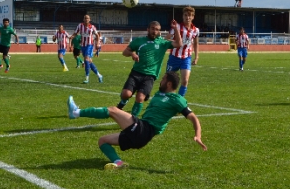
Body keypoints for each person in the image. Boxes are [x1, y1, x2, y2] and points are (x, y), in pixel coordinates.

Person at [67, 71, 207, 170]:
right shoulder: (159, 94)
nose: (161, 81)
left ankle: (75, 112)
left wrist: (198, 135)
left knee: (112, 110)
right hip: (141, 135)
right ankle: (119, 163)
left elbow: (193, 117)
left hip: (145, 130)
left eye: (163, 79)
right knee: (102, 141)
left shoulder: (177, 100)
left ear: (169, 84)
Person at [117, 20, 182, 116]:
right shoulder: (139, 41)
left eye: (157, 30)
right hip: (136, 73)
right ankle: (123, 102)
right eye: (152, 29)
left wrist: (176, 28)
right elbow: (125, 52)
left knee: (140, 97)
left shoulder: (162, 43)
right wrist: (132, 53)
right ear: (148, 29)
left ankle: (133, 120)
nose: (154, 31)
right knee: (126, 94)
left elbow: (179, 44)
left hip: (150, 76)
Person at [166, 6, 199, 96]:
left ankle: (179, 101)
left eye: (190, 16)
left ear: (193, 17)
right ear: (183, 16)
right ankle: (164, 99)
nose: (187, 17)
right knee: (168, 81)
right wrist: (176, 42)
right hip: (174, 57)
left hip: (186, 58)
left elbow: (195, 44)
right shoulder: (176, 27)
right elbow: (166, 39)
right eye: (185, 15)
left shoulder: (195, 30)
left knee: (185, 81)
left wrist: (196, 57)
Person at [70, 15, 103, 83]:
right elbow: (75, 33)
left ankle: (87, 78)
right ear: (83, 19)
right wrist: (71, 37)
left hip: (89, 45)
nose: (86, 19)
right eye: (85, 18)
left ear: (89, 19)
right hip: (83, 46)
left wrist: (97, 43)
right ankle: (99, 75)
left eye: (87, 18)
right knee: (89, 62)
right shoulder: (80, 26)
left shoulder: (92, 27)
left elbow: (97, 35)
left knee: (86, 60)